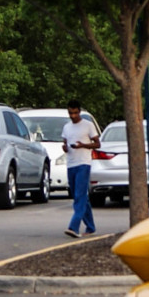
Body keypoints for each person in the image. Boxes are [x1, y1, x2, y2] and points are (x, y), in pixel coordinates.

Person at [61, 100, 100, 237]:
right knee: (81, 196)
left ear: (80, 111)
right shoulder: (66, 127)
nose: (73, 115)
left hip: (83, 163)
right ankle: (90, 226)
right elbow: (65, 143)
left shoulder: (88, 125)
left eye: (75, 113)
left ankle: (74, 226)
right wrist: (65, 147)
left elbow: (97, 144)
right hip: (71, 164)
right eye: (70, 113)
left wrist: (83, 145)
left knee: (79, 196)